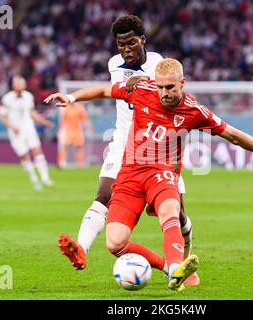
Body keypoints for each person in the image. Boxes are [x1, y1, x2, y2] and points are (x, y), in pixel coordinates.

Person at [44, 58, 253, 291]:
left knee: (170, 211)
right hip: (130, 174)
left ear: (182, 83)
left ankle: (176, 268)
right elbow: (103, 91)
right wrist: (70, 97)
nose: (164, 93)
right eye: (161, 87)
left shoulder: (195, 111)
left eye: (170, 87)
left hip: (162, 175)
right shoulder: (142, 89)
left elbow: (233, 135)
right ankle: (168, 268)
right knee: (114, 243)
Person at [55, 15, 199, 285]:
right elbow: (107, 91)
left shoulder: (159, 65)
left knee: (176, 214)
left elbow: (174, 100)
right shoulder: (114, 64)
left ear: (143, 40)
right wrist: (72, 97)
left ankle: (185, 264)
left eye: (131, 43)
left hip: (159, 147)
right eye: (121, 44)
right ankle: (82, 250)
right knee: (103, 194)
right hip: (124, 141)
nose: (126, 50)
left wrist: (143, 83)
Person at [0, 75, 54, 191]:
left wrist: (43, 121)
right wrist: (11, 126)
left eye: (22, 83)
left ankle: (45, 179)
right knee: (24, 156)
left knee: (37, 151)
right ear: (14, 85)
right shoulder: (7, 98)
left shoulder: (28, 96)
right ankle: (34, 179)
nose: (20, 85)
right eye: (18, 83)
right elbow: (1, 116)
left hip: (28, 127)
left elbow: (31, 112)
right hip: (16, 131)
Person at [57, 102, 93, 168]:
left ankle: (80, 164)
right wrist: (59, 131)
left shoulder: (79, 107)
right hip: (68, 131)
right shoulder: (66, 108)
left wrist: (90, 129)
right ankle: (61, 162)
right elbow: (62, 121)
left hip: (78, 131)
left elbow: (85, 120)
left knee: (79, 147)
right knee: (64, 147)